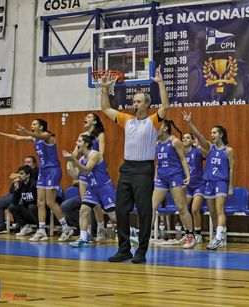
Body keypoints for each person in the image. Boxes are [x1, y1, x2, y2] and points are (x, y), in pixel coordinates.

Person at [100, 65, 169, 263]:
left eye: (138, 101)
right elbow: (105, 108)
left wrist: (161, 84)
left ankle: (141, 252)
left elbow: (165, 106)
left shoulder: (154, 121)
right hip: (127, 169)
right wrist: (105, 88)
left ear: (146, 104)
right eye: (134, 101)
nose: (134, 103)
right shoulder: (127, 120)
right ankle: (124, 249)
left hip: (144, 170)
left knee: (144, 211)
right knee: (120, 209)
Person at [0, 119, 73, 242]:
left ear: (41, 126)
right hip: (43, 171)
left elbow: (38, 135)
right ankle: (41, 231)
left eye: (34, 124)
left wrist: (26, 131)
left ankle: (66, 229)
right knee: (40, 202)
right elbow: (17, 138)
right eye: (31, 124)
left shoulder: (48, 136)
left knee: (50, 202)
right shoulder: (34, 138)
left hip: (53, 170)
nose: (32, 125)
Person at [182, 110, 235, 251]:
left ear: (221, 135)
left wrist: (230, 186)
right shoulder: (210, 148)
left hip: (221, 182)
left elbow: (231, 169)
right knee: (212, 212)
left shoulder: (228, 150)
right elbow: (198, 135)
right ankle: (221, 236)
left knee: (219, 209)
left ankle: (218, 238)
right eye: (211, 133)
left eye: (214, 133)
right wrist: (189, 122)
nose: (212, 135)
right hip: (209, 182)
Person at [63, 134, 117, 248]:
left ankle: (129, 232)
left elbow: (87, 170)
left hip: (104, 188)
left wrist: (73, 159)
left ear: (86, 144)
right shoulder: (82, 159)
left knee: (113, 215)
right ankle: (83, 238)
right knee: (83, 210)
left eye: (79, 141)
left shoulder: (95, 154)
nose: (76, 143)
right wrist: (69, 161)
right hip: (92, 189)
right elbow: (75, 175)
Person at [151, 120, 196, 248]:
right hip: (161, 178)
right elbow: (158, 163)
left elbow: (183, 159)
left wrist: (187, 176)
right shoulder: (157, 144)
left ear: (165, 128)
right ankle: (145, 236)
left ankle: (190, 236)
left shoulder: (175, 141)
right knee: (151, 206)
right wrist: (155, 177)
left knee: (181, 208)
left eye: (157, 127)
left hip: (175, 177)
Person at [70, 113, 108, 241]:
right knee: (85, 203)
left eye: (89, 116)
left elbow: (101, 153)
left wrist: (91, 163)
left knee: (96, 204)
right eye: (85, 116)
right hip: (84, 170)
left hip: (96, 170)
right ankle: (86, 233)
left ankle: (101, 229)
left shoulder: (99, 135)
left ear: (95, 121)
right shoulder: (81, 136)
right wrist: (71, 159)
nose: (85, 118)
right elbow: (75, 152)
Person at [0, 156, 38, 233]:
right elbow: (11, 176)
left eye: (29, 162)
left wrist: (18, 176)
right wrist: (20, 175)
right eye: (25, 162)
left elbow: (18, 177)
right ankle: (0, 227)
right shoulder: (23, 170)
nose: (26, 163)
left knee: (20, 202)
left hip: (25, 194)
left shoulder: (36, 171)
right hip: (14, 193)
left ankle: (19, 226)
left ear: (34, 164)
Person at [182, 133, 206, 243]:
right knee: (182, 209)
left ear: (192, 140)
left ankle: (198, 234)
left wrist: (199, 147)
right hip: (187, 186)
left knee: (195, 209)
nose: (185, 139)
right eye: (183, 138)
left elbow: (208, 156)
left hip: (199, 184)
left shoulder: (196, 151)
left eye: (188, 138)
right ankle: (188, 233)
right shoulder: (181, 153)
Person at [8, 165, 37, 237]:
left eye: (21, 174)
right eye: (18, 174)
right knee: (12, 207)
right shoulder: (20, 185)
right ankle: (25, 226)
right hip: (29, 213)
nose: (19, 176)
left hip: (40, 213)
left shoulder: (34, 184)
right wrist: (16, 189)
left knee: (32, 206)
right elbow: (15, 202)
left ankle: (41, 229)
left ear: (28, 175)